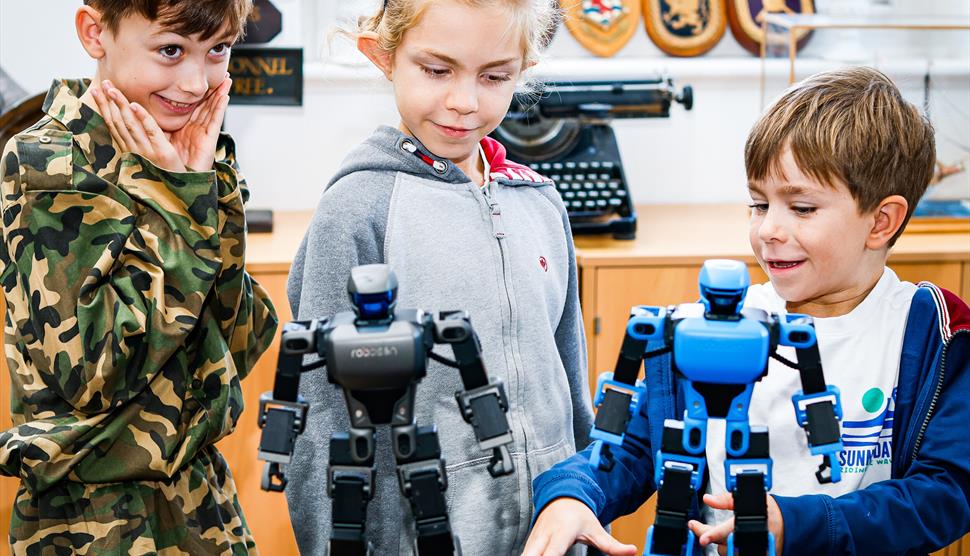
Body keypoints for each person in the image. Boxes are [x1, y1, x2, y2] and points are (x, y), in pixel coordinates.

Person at [525, 66, 970, 556]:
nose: (769, 231)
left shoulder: (934, 332)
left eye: (801, 208)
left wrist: (800, 523)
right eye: (758, 204)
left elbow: (946, 490)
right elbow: (629, 448)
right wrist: (571, 493)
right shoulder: (709, 327)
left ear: (881, 221)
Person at [284, 0, 593, 553]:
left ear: (525, 69)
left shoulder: (540, 203)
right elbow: (321, 424)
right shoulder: (358, 211)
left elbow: (572, 391)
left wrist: (585, 497)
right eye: (436, 70)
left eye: (495, 76)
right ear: (382, 56)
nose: (464, 101)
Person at [0, 1, 278, 553]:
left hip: (204, 498)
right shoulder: (47, 161)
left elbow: (240, 345)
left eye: (218, 50)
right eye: (170, 50)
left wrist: (199, 187)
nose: (196, 82)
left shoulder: (188, 152)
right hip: (91, 517)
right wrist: (175, 206)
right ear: (95, 31)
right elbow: (93, 372)